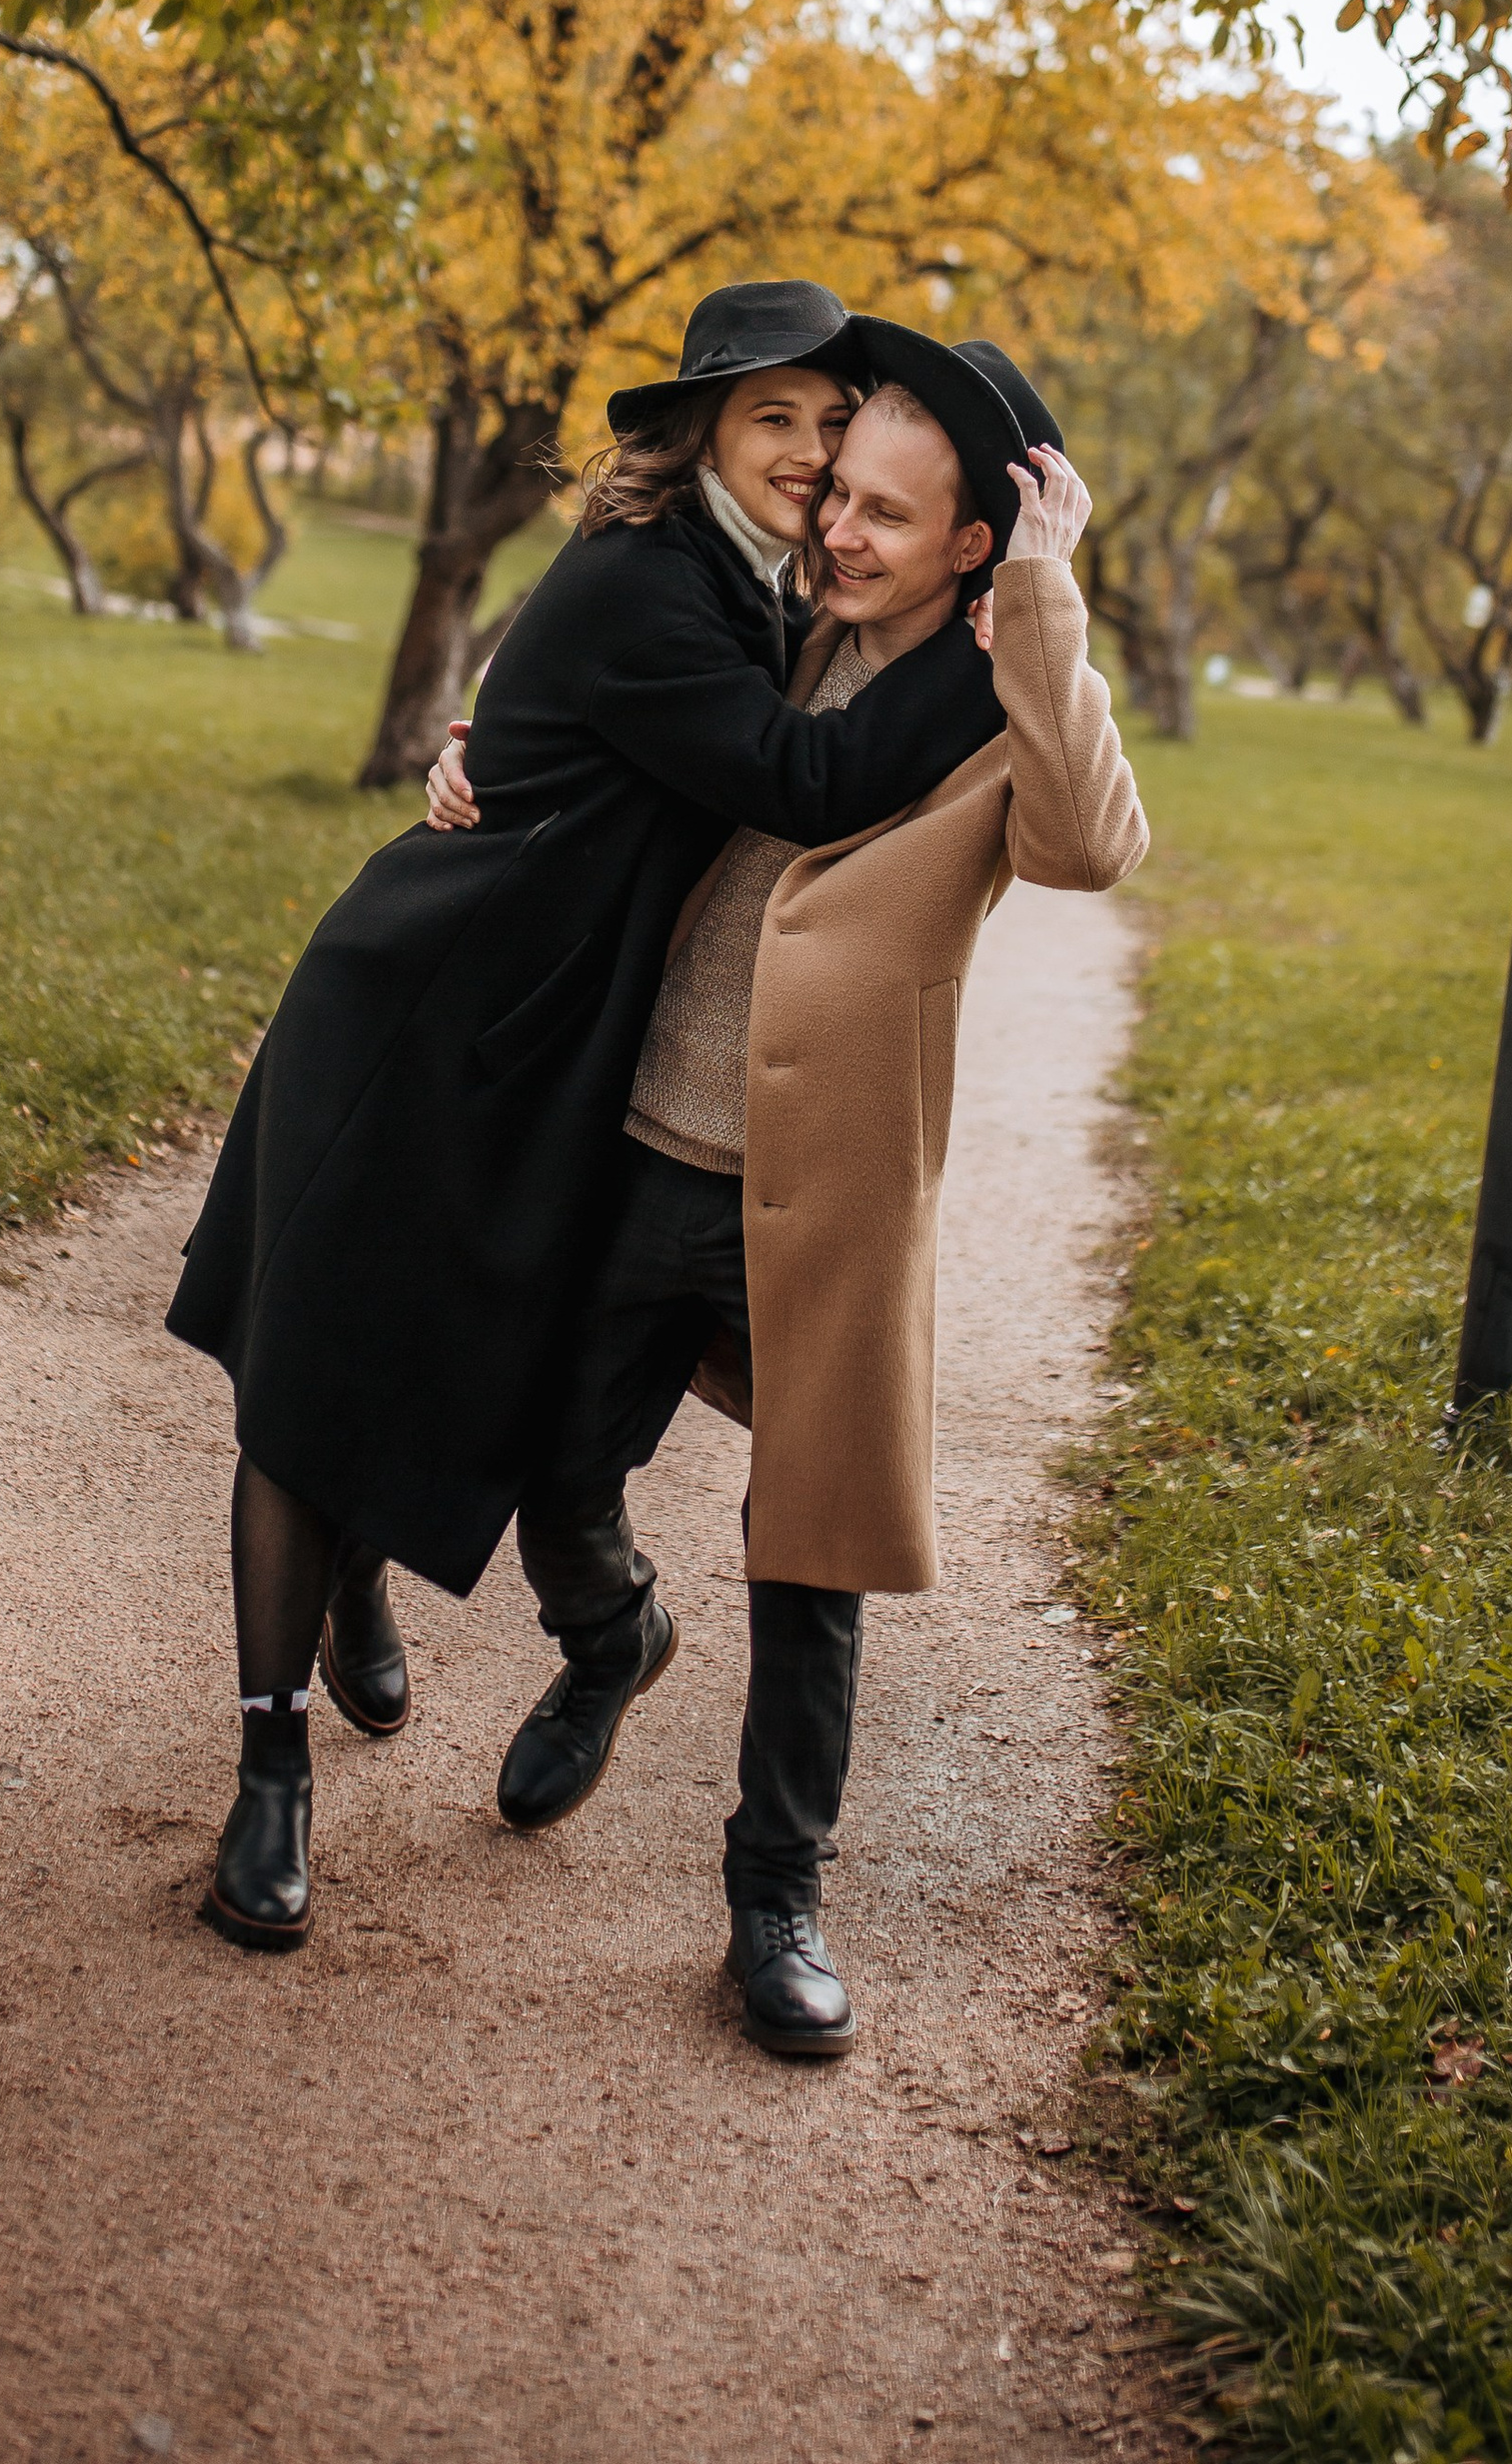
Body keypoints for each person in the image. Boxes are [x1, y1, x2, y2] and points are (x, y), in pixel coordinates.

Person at [165, 281, 1007, 1952]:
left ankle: (366, 1564)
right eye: (778, 420)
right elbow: (811, 777)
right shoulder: (651, 582)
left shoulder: (741, 582)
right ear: (700, 428)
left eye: (831, 426)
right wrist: (989, 660)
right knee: (312, 1363)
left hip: (551, 1047)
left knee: (472, 1351)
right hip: (424, 1011)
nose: (812, 454)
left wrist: (488, 712)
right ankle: (270, 1769)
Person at [425, 325, 1145, 2058]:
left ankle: (777, 1899)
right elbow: (614, 720)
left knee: (807, 1557)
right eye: (838, 493)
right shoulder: (762, 623)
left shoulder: (999, 692)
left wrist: (1049, 605)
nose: (841, 529)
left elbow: (1093, 843)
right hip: (648, 1138)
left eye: (889, 514)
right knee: (551, 1460)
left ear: (977, 542)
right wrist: (480, 750)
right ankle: (610, 1633)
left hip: (825, 1183)